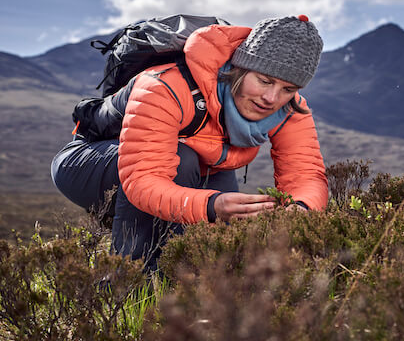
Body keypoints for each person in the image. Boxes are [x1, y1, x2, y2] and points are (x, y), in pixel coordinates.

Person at [51, 15, 328, 271]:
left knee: (218, 246)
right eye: (264, 81)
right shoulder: (165, 85)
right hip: (89, 164)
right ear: (242, 67)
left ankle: (183, 297)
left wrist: (300, 208)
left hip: (194, 168)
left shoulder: (290, 108)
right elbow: (144, 181)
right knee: (183, 162)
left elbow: (306, 175)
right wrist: (211, 206)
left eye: (288, 89)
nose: (271, 98)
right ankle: (126, 287)